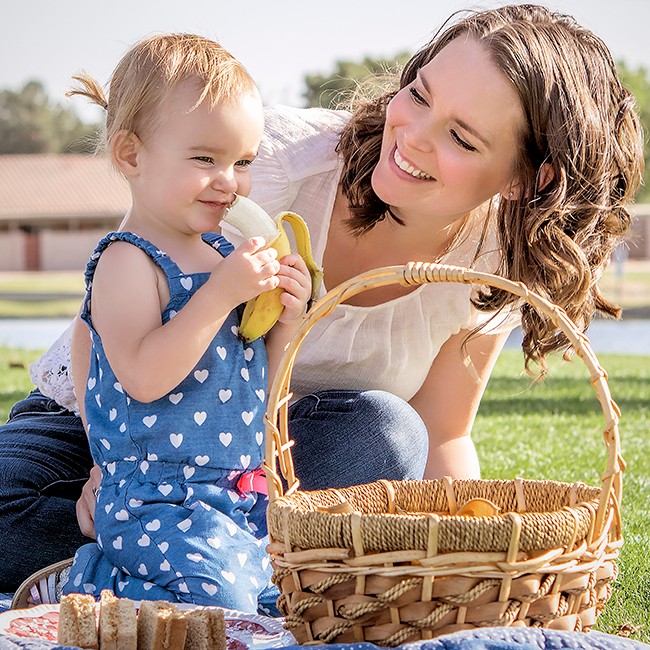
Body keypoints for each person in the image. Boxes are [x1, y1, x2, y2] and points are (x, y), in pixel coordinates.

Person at [0, 3, 644, 597]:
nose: (413, 134)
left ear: (530, 178)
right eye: (418, 95)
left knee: (386, 436)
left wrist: (471, 563)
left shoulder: (490, 268)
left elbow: (444, 433)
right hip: (96, 420)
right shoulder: (258, 164)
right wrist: (109, 464)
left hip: (253, 469)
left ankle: (180, 566)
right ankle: (194, 568)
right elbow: (113, 313)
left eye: (462, 138)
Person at [54, 33, 311, 613]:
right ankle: (102, 584)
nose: (230, 181)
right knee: (223, 600)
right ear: (131, 156)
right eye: (205, 159)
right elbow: (144, 378)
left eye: (242, 162)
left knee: (293, 595)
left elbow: (247, 392)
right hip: (157, 501)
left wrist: (286, 326)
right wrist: (221, 296)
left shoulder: (223, 254)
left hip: (237, 495)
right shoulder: (129, 261)